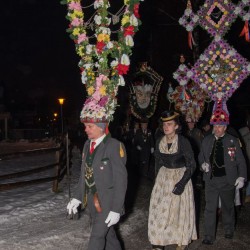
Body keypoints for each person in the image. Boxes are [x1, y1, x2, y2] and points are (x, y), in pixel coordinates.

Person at [66, 120, 127, 250]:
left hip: (108, 202)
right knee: (108, 235)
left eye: (90, 126)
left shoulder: (114, 146)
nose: (86, 129)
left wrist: (116, 209)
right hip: (92, 202)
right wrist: (77, 197)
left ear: (101, 128)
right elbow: (84, 174)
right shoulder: (87, 145)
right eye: (85, 126)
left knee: (97, 237)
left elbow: (121, 181)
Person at [148, 111, 197, 250]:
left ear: (176, 126)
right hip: (163, 178)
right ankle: (158, 241)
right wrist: (156, 182)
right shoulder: (159, 141)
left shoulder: (183, 141)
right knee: (158, 210)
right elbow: (157, 163)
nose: (166, 127)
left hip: (180, 177)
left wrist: (182, 184)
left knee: (177, 212)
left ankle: (180, 241)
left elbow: (192, 164)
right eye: (164, 124)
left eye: (169, 124)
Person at [199, 115, 247, 245]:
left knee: (228, 207)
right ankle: (209, 235)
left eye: (220, 126)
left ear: (225, 127)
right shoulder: (207, 140)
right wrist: (203, 164)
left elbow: (241, 161)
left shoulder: (233, 141)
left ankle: (229, 229)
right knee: (209, 208)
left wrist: (242, 176)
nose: (217, 129)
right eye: (215, 126)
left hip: (228, 180)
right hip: (211, 180)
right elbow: (201, 156)